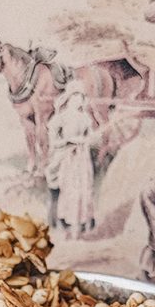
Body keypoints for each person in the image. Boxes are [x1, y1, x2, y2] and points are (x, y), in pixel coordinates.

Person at [45, 80, 96, 239]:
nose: (78, 100)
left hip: (83, 159)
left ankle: (83, 226)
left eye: (80, 97)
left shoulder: (85, 118)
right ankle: (68, 228)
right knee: (70, 191)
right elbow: (53, 142)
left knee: (84, 190)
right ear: (69, 99)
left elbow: (91, 138)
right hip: (67, 158)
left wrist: (89, 140)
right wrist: (70, 141)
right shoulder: (61, 118)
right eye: (75, 97)